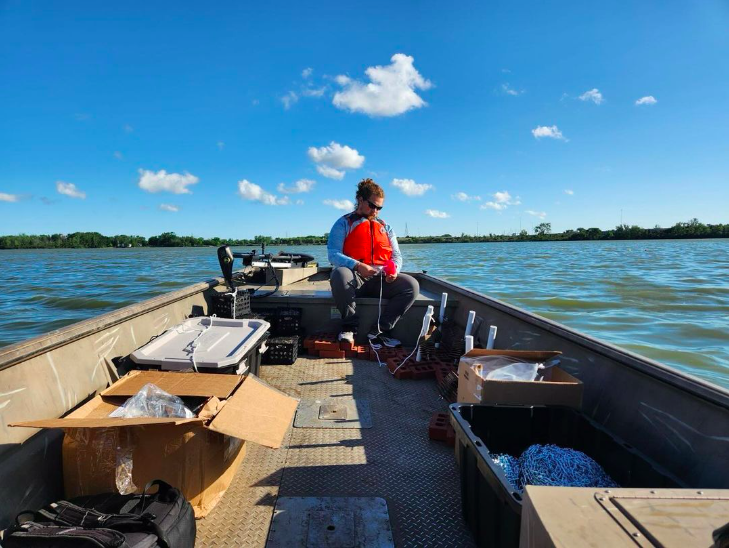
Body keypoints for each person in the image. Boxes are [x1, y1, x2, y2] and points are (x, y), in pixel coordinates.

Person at [327, 178, 419, 349]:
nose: (376, 211)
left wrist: (394, 271)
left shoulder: (387, 227)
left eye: (379, 207)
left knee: (411, 286)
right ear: (360, 200)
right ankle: (349, 327)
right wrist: (357, 266)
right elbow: (333, 255)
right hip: (355, 277)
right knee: (339, 274)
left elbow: (396, 255)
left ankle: (379, 330)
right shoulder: (343, 223)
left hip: (382, 279)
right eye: (372, 205)